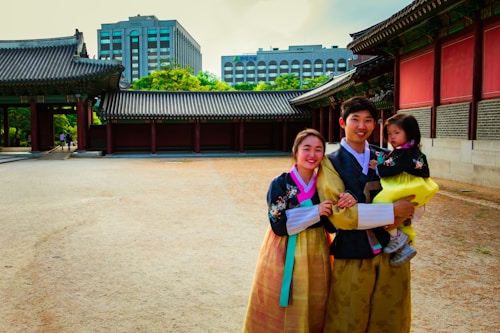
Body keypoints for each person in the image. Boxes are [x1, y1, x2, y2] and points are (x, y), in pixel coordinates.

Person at [316, 96, 417, 333]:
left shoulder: (389, 157)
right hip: (353, 251)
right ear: (342, 122)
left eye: (368, 120)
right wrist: (392, 211)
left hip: (393, 251)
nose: (362, 126)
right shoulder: (331, 163)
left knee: (391, 316)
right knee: (348, 316)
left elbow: (413, 193)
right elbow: (340, 215)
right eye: (355, 119)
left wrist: (408, 213)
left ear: (375, 124)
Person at [242, 128, 358, 333]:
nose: (312, 155)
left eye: (318, 150)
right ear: (295, 151)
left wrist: (347, 200)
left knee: (315, 300)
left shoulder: (325, 184)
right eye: (307, 149)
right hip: (284, 249)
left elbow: (331, 224)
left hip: (316, 249)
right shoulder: (280, 183)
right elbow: (277, 224)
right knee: (280, 300)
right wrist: (315, 212)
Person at [370, 113, 439, 266]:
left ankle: (397, 238)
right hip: (417, 186)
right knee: (398, 216)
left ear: (409, 133)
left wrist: (378, 166)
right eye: (389, 134)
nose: (392, 137)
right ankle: (403, 247)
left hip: (404, 186)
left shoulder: (402, 153)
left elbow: (391, 168)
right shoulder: (414, 151)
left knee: (379, 204)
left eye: (396, 133)